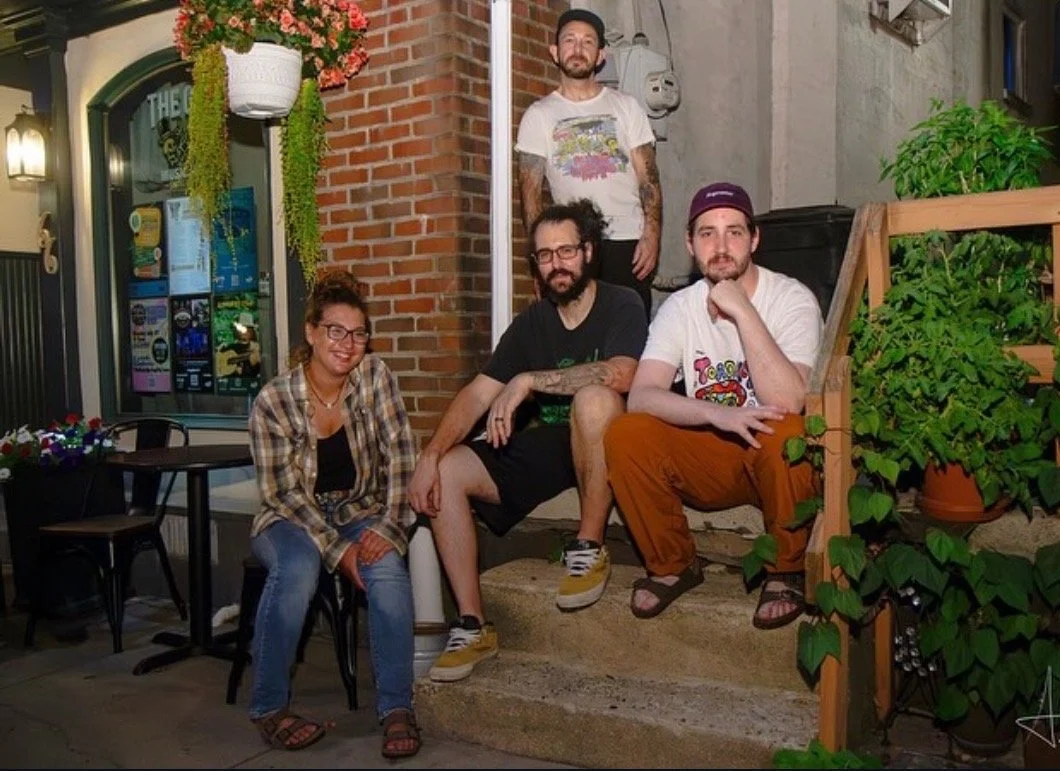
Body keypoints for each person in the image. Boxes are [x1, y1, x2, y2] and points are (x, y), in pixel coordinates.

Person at [408, 199, 648, 683]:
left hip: (610, 439)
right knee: (450, 468)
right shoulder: (532, 323)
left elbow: (622, 373)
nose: (557, 263)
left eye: (566, 251)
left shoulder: (623, 302)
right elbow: (478, 393)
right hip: (552, 446)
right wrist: (430, 455)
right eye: (544, 255)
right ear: (536, 266)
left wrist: (529, 381)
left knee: (593, 400)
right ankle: (472, 624)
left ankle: (588, 547)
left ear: (588, 252)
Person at [604, 182, 824, 630]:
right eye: (707, 233)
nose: (720, 246)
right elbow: (643, 395)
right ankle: (672, 564)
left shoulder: (792, 299)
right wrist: (717, 414)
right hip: (713, 453)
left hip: (774, 456)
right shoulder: (680, 308)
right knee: (625, 433)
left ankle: (785, 570)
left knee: (786, 429)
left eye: (734, 232)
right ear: (689, 244)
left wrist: (743, 312)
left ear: (755, 239)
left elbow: (789, 399)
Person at [247, 270, 421, 758]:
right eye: (335, 331)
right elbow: (281, 492)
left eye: (358, 333)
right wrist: (339, 550)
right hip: (289, 517)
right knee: (298, 568)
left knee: (387, 570)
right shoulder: (274, 401)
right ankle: (268, 706)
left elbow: (402, 454)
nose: (347, 344)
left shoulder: (374, 376)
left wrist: (387, 526)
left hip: (359, 508)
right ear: (311, 332)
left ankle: (396, 707)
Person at [516, 7, 662, 318]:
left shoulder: (627, 107)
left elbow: (649, 178)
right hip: (570, 249)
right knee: (575, 338)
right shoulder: (538, 116)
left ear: (600, 56)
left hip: (627, 243)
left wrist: (652, 235)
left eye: (588, 42)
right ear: (555, 52)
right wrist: (541, 257)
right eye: (570, 41)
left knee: (630, 339)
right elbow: (529, 196)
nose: (578, 49)